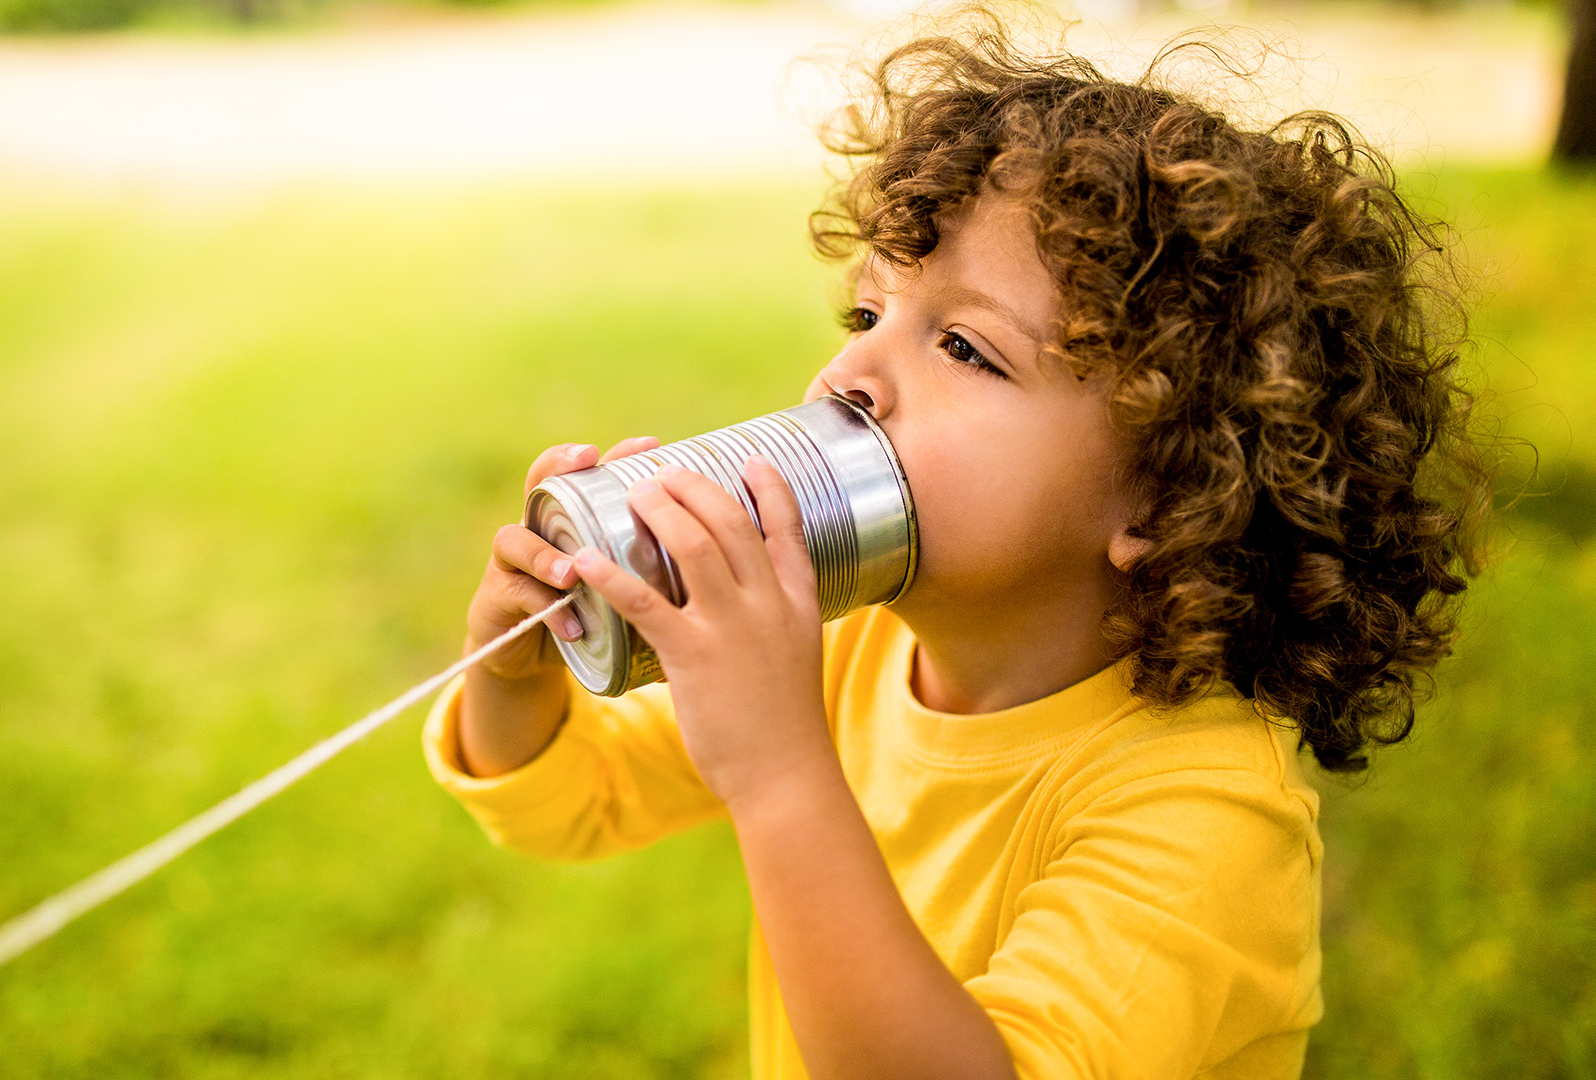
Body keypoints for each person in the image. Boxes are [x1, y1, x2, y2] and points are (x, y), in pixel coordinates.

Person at [421, 17, 1490, 1080]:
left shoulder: (1205, 816)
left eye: (967, 348)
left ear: (1173, 494)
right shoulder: (854, 651)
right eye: (867, 313)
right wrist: (520, 666)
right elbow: (570, 800)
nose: (853, 375)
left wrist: (782, 772)